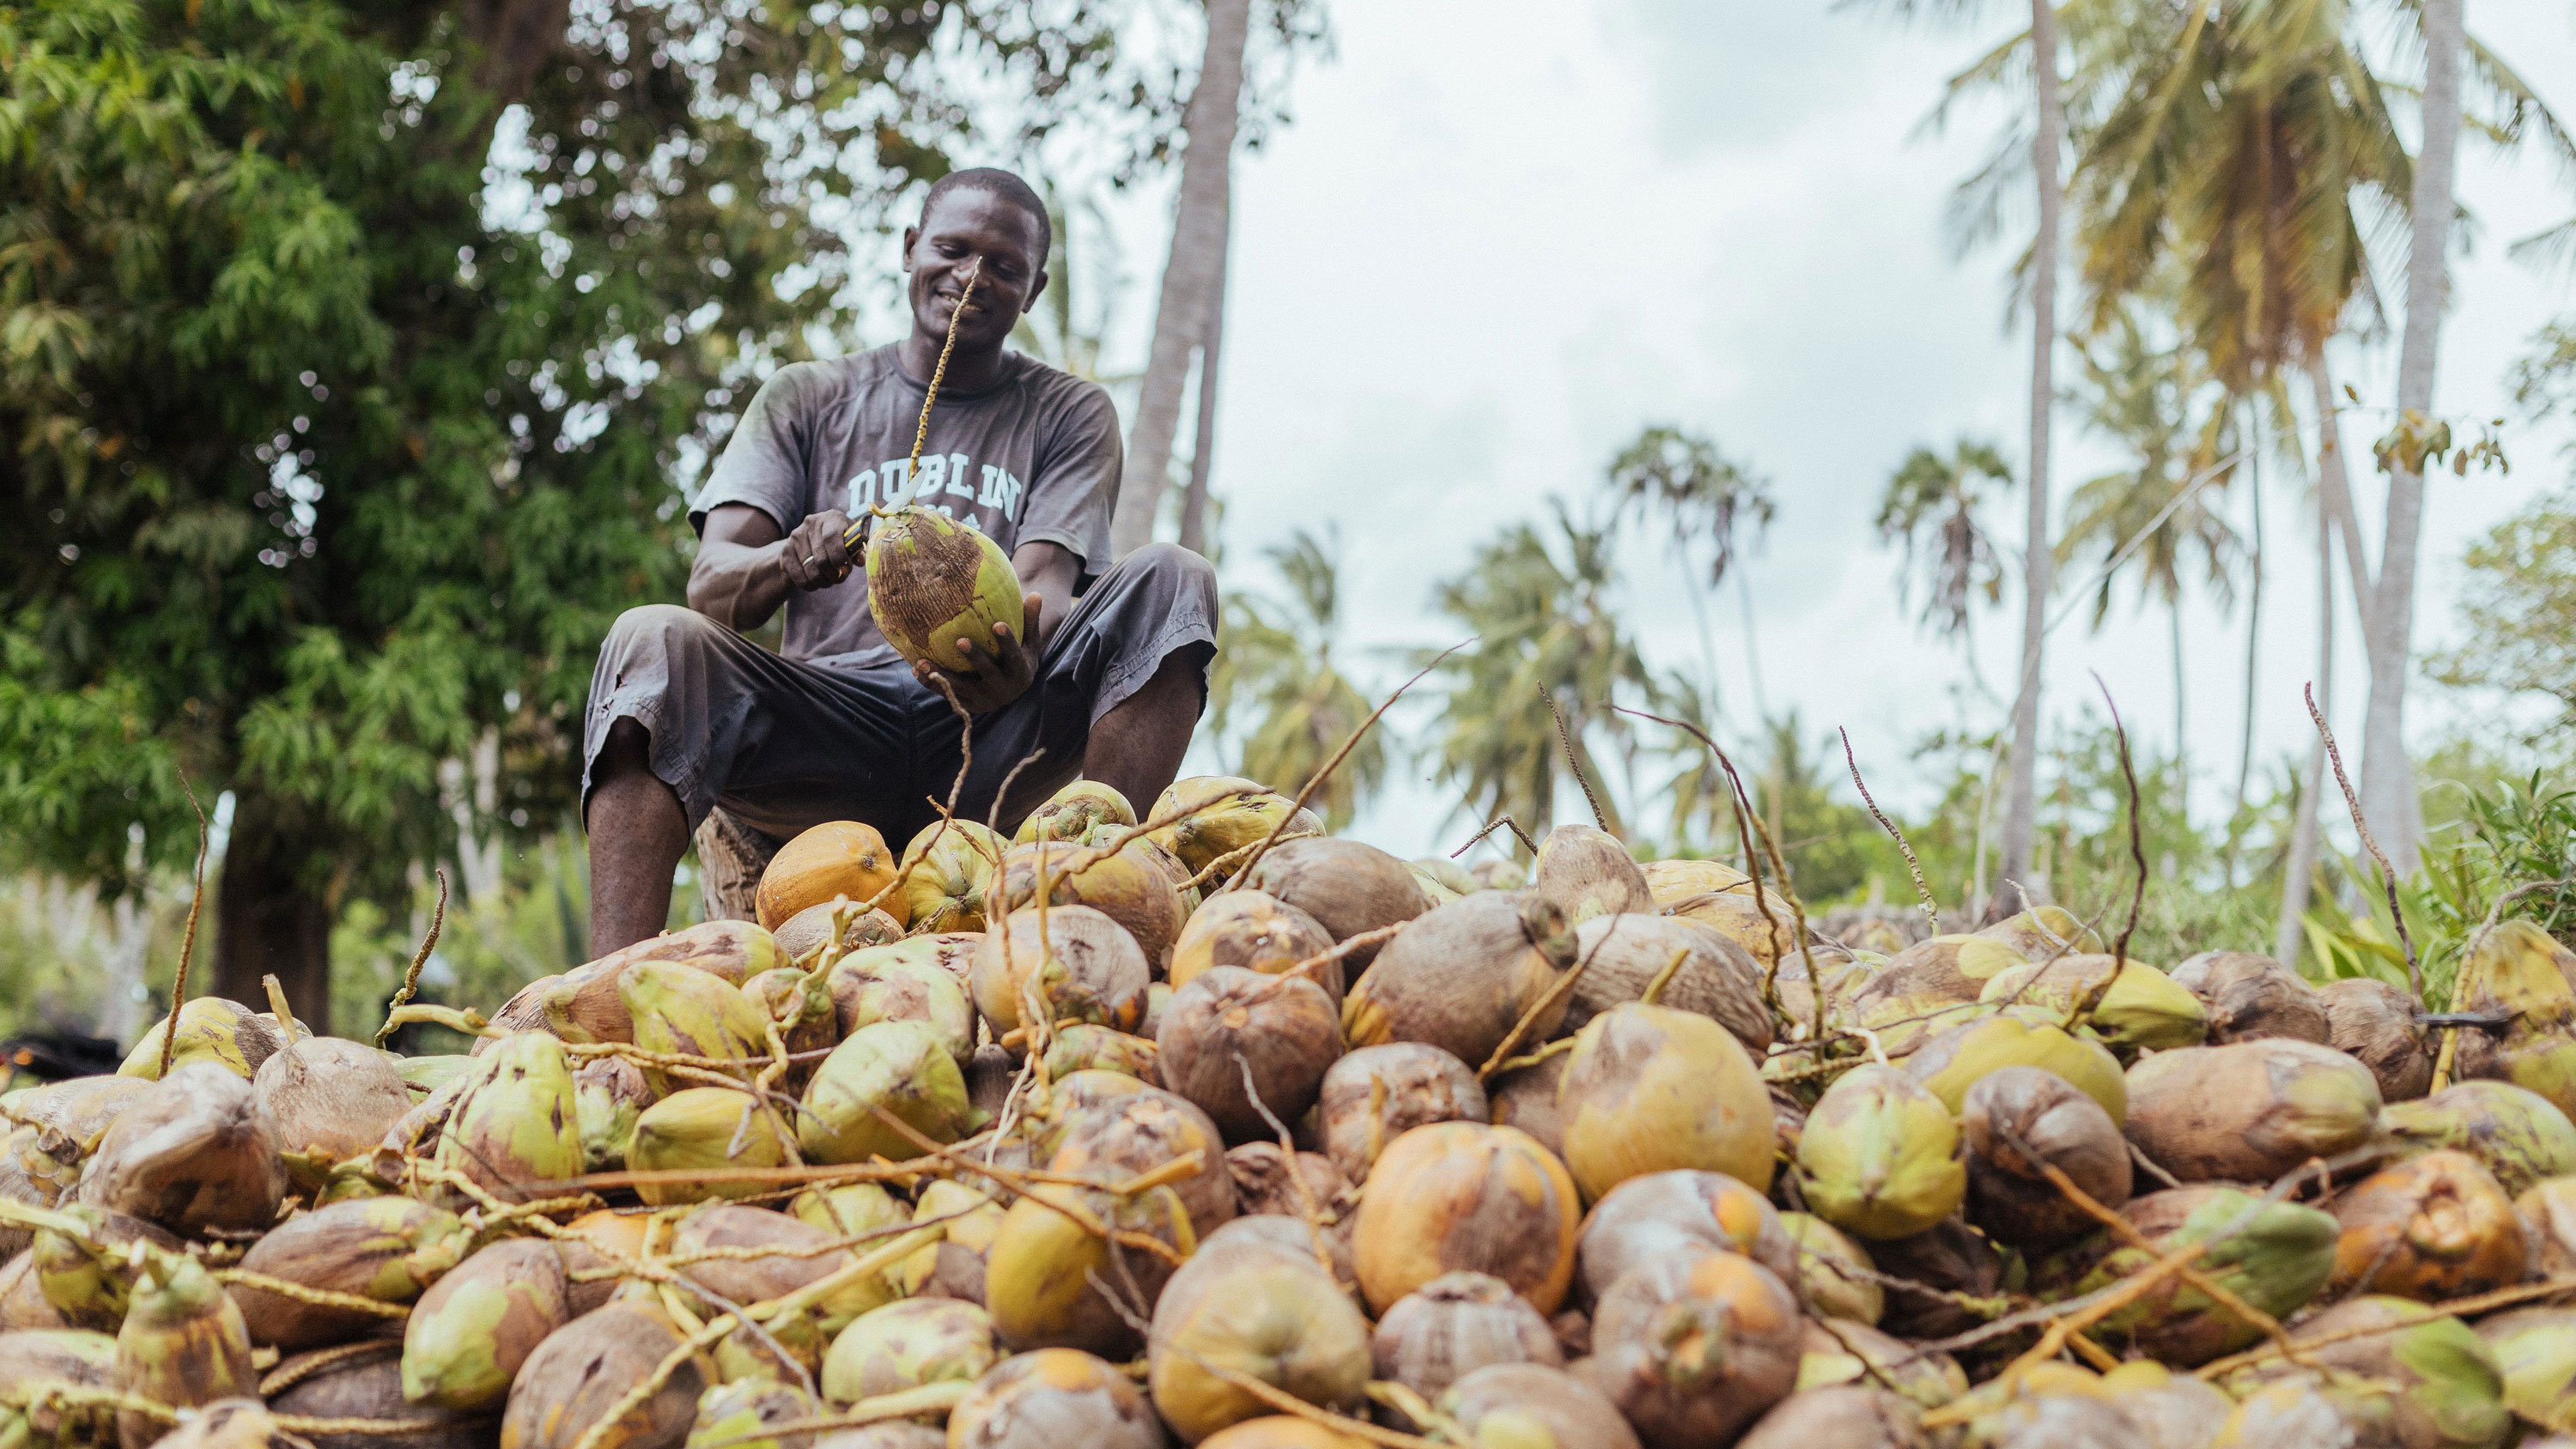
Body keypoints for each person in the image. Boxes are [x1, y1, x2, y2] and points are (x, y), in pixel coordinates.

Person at [580, 167, 1216, 954]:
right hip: (827, 728)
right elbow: (712, 588)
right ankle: (603, 984)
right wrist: (791, 560)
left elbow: (1047, 584)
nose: (972, 277)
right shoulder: (807, 397)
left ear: (1035, 287)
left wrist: (1017, 657)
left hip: (996, 729)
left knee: (1175, 577)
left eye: (1005, 266)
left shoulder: (1069, 411)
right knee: (649, 638)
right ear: (911, 248)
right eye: (952, 249)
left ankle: (1096, 914)